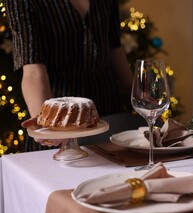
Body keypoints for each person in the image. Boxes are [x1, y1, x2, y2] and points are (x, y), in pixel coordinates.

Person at [5, 0, 133, 151]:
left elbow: (114, 48)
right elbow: (33, 71)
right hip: (58, 118)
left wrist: (137, 95)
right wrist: (45, 124)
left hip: (107, 108)